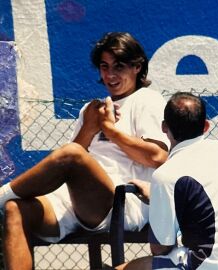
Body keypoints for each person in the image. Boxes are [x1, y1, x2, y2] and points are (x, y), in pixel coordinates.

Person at [0, 32, 169, 270]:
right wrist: (89, 128)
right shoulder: (92, 109)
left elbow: (157, 157)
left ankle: (1, 195)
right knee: (15, 210)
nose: (110, 75)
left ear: (137, 67)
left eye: (118, 67)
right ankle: (4, 201)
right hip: (76, 203)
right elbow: (69, 163)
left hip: (120, 203)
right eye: (104, 67)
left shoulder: (148, 100)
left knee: (71, 154)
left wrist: (110, 130)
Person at [116, 92, 218, 269]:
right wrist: (160, 197)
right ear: (206, 126)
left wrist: (159, 201)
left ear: (164, 127)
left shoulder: (165, 175)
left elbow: (160, 248)